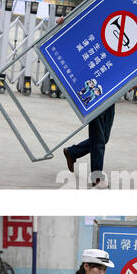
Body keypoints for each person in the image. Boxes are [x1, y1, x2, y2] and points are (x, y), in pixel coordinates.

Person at [56, 16, 115, 189]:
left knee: (104, 137)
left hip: (109, 90)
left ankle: (72, 152)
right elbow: (68, 41)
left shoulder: (108, 35)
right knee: (98, 138)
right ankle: (97, 177)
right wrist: (61, 25)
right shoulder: (88, 31)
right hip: (93, 91)